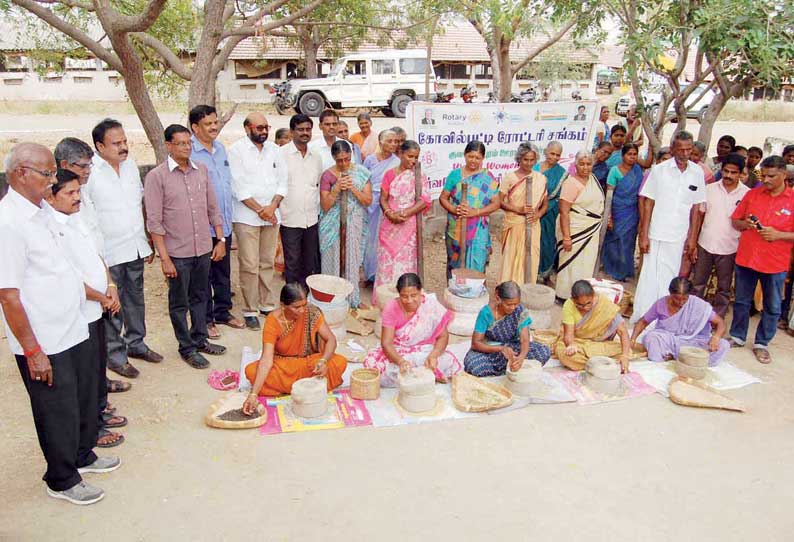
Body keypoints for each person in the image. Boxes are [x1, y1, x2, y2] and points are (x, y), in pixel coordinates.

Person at [0, 143, 119, 506]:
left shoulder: (41, 212)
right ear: (21, 173)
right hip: (45, 339)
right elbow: (8, 295)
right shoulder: (8, 222)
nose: (53, 181)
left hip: (73, 325)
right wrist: (33, 351)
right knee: (57, 407)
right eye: (47, 174)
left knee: (83, 396)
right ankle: (62, 477)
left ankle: (84, 455)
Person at [47, 170, 126, 449]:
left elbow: (97, 256)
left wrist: (111, 286)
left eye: (78, 192)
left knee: (96, 368)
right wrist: (100, 297)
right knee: (84, 375)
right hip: (80, 312)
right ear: (51, 196)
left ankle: (99, 414)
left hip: (98, 308)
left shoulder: (76, 219)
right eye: (69, 193)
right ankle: (92, 430)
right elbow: (69, 277)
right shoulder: (52, 228)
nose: (77, 197)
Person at [144, 124, 227, 369]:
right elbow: (154, 221)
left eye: (188, 143)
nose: (186, 148)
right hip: (177, 254)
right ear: (168, 146)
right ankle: (187, 347)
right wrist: (164, 258)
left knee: (201, 296)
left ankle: (200, 339)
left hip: (202, 248)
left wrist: (220, 240)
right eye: (180, 143)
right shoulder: (157, 177)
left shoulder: (201, 170)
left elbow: (213, 208)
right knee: (179, 303)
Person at [85, 119, 163, 379]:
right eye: (116, 143)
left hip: (135, 246)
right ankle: (115, 356)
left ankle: (137, 344)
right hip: (108, 253)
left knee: (135, 300)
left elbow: (138, 203)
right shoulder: (90, 174)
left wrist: (148, 239)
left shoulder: (130, 167)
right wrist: (96, 257)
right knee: (112, 306)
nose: (123, 147)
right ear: (99, 146)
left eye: (125, 141)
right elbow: (87, 217)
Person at [54, 137, 131, 395]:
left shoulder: (81, 195)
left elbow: (93, 245)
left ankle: (101, 387)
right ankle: (96, 400)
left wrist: (109, 284)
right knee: (83, 356)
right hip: (81, 300)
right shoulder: (56, 212)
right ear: (64, 164)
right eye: (83, 166)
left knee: (97, 348)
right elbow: (69, 271)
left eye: (90, 166)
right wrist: (101, 296)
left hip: (100, 288)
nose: (88, 171)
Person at [630, 131, 706, 325]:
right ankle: (644, 318)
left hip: (679, 235)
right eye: (680, 149)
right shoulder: (659, 170)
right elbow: (648, 203)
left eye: (689, 149)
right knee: (650, 277)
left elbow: (696, 209)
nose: (685, 153)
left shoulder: (697, 173)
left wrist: (692, 239)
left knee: (671, 279)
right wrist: (644, 235)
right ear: (672, 149)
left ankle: (663, 319)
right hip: (656, 233)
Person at [728, 156, 794, 364]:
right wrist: (745, 224)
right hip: (747, 258)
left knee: (773, 306)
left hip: (775, 263)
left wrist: (779, 235)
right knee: (741, 301)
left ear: (784, 175)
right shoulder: (753, 195)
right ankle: (737, 336)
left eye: (771, 176)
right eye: (763, 175)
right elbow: (735, 221)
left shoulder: (792, 200)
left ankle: (761, 343)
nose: (765, 179)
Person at [241, 283, 348, 411]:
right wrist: (253, 395)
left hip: (310, 363)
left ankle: (291, 388)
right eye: (296, 307)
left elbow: (331, 339)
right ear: (283, 305)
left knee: (339, 362)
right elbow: (266, 360)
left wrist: (323, 361)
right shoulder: (272, 321)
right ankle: (307, 387)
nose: (302, 310)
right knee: (252, 371)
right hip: (284, 365)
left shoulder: (312, 312)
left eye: (304, 305)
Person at [189, 105, 246, 339]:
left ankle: (223, 312)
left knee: (223, 272)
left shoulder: (221, 149)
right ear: (195, 128)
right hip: (203, 227)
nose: (214, 127)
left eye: (215, 122)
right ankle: (206, 319)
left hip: (224, 223)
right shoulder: (190, 154)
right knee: (204, 276)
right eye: (208, 124)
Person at [228, 112, 288, 330]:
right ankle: (250, 309)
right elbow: (238, 187)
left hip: (272, 216)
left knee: (267, 263)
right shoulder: (236, 151)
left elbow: (283, 181)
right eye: (259, 127)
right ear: (247, 129)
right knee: (249, 265)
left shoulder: (275, 150)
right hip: (246, 217)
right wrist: (261, 210)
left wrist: (272, 207)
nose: (263, 131)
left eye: (266, 127)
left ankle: (267, 304)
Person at [364, 273, 461, 386]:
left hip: (425, 350)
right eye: (404, 296)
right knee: (379, 370)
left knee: (445, 361)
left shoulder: (430, 305)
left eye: (414, 295)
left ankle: (424, 375)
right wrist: (401, 362)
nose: (409, 300)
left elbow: (443, 336)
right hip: (399, 351)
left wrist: (434, 355)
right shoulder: (391, 308)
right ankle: (427, 376)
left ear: (421, 291)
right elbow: (386, 344)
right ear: (399, 294)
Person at [690, 153, 750, 318]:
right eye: (726, 171)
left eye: (733, 172)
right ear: (721, 170)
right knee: (698, 284)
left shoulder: (747, 194)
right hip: (705, 244)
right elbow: (699, 217)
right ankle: (693, 317)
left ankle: (717, 320)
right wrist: (693, 243)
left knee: (723, 289)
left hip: (730, 247)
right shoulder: (709, 189)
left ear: (740, 173)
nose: (728, 176)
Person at [373, 140, 430, 305]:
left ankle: (406, 300)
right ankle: (384, 301)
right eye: (410, 156)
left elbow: (424, 200)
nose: (413, 160)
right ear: (400, 154)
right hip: (389, 225)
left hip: (409, 226)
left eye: (416, 157)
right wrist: (390, 213)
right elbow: (383, 199)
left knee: (405, 263)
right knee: (386, 263)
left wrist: (404, 213)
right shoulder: (390, 174)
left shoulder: (419, 175)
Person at [319, 140, 373, 308]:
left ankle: (352, 299)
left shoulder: (362, 173)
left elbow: (368, 201)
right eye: (339, 160)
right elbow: (325, 205)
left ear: (351, 155)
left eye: (347, 159)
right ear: (333, 158)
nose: (343, 163)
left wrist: (353, 189)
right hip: (332, 226)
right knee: (332, 260)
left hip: (354, 223)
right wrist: (336, 189)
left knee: (352, 259)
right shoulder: (327, 176)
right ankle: (331, 300)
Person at [631, 277, 729, 366]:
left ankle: (697, 363)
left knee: (723, 344)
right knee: (651, 337)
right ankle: (661, 362)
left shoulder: (697, 304)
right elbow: (643, 322)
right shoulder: (661, 304)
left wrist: (716, 337)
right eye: (677, 299)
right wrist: (632, 340)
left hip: (693, 342)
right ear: (670, 293)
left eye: (684, 299)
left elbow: (720, 322)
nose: (681, 302)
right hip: (670, 342)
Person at [439, 140, 501, 275]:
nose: (473, 160)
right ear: (465, 155)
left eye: (477, 158)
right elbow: (443, 198)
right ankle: (455, 292)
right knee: (454, 261)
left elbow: (496, 203)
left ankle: (475, 292)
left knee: (477, 261)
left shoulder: (487, 178)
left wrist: (476, 212)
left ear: (483, 158)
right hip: (456, 226)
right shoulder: (455, 175)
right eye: (470, 156)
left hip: (478, 227)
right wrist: (455, 210)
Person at [464, 281, 552, 376]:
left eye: (516, 304)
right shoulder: (486, 313)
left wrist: (521, 357)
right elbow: (475, 344)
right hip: (491, 350)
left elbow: (525, 339)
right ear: (498, 299)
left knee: (544, 351)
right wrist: (501, 349)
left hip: (512, 347)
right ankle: (508, 369)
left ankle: (510, 367)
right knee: (474, 365)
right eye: (509, 304)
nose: (513, 308)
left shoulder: (520, 311)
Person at [280, 114, 324, 286]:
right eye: (300, 129)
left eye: (308, 129)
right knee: (292, 263)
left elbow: (317, 184)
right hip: (290, 218)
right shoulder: (281, 154)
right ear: (292, 132)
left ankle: (304, 299)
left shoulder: (316, 155)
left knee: (309, 263)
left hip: (311, 218)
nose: (305, 133)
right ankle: (292, 301)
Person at [555, 150, 605, 299]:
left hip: (591, 229)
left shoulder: (593, 180)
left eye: (588, 164)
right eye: (582, 164)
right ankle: (565, 295)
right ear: (575, 165)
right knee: (571, 263)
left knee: (586, 263)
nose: (585, 167)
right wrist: (567, 237)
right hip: (575, 229)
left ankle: (582, 296)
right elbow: (564, 211)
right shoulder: (571, 183)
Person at [553, 280, 632, 372]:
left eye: (588, 303)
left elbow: (623, 332)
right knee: (566, 356)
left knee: (626, 350)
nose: (585, 307)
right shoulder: (569, 305)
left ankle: (596, 362)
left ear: (593, 295)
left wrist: (625, 356)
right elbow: (568, 335)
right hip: (578, 343)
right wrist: (571, 345)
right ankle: (604, 363)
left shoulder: (603, 303)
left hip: (599, 343)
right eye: (579, 305)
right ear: (573, 300)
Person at [499, 142, 548, 284]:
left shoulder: (540, 178)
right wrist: (518, 210)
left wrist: (537, 215)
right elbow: (500, 202)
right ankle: (507, 290)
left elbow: (545, 204)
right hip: (514, 223)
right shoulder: (510, 177)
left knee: (530, 257)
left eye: (532, 160)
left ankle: (526, 289)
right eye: (525, 159)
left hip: (533, 224)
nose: (528, 163)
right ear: (519, 159)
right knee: (511, 256)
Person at [601, 143, 643, 282]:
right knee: (615, 239)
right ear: (623, 155)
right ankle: (613, 268)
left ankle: (625, 270)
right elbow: (609, 194)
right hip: (617, 210)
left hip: (632, 212)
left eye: (634, 154)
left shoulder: (638, 170)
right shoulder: (614, 171)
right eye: (629, 154)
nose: (632, 157)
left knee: (629, 242)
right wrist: (609, 217)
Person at [362, 129, 400, 281]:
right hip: (371, 203)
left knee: (385, 239)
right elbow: (364, 180)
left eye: (396, 141)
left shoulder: (397, 162)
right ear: (380, 142)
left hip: (387, 204)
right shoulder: (370, 160)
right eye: (390, 141)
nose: (393, 144)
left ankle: (382, 276)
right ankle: (369, 274)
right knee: (370, 239)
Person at [536, 141, 566, 279]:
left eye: (557, 155)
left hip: (549, 213)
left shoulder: (562, 174)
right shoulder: (534, 167)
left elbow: (559, 196)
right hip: (530, 210)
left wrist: (545, 207)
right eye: (552, 153)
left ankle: (544, 271)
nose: (554, 157)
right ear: (546, 152)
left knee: (546, 240)